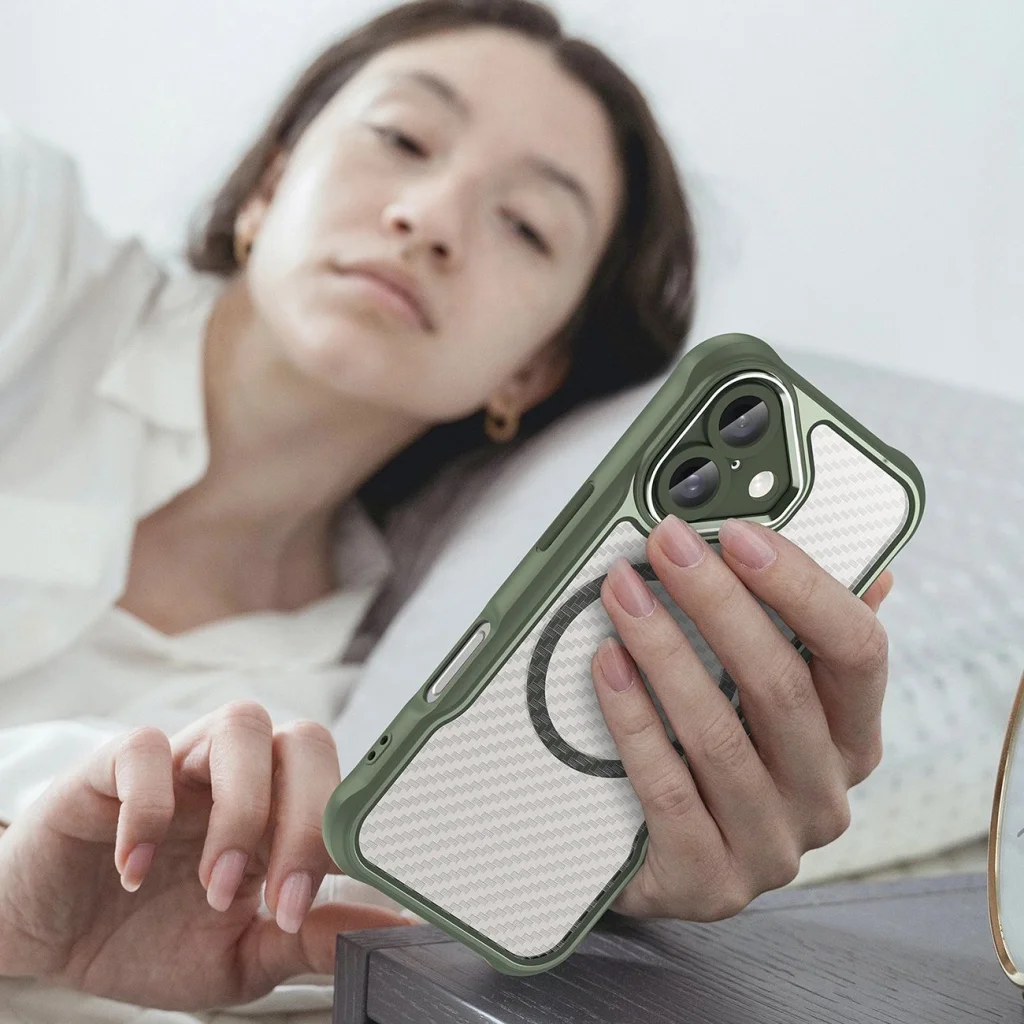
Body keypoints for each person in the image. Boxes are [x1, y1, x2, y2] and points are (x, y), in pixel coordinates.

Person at [0, 0, 895, 1018]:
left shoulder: (320, 756)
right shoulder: (23, 235)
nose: (429, 219)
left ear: (533, 369)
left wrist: (586, 896)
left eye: (525, 226)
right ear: (268, 186)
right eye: (401, 138)